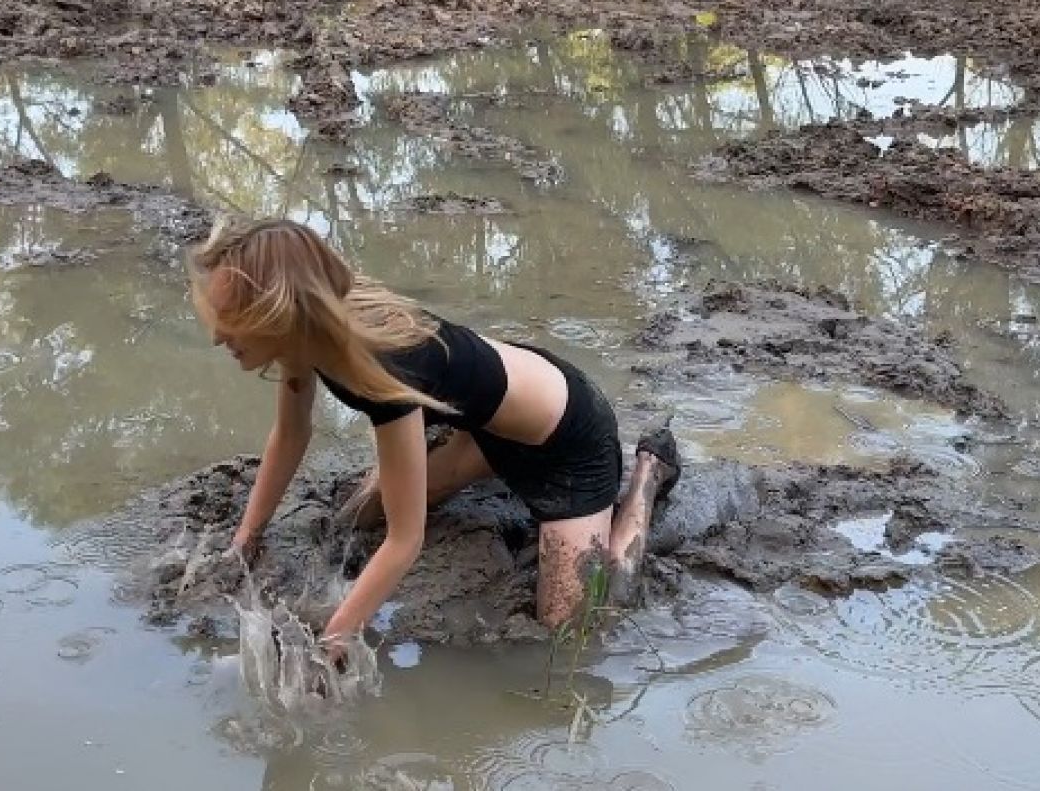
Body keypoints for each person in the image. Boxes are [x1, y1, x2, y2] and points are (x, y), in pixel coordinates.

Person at [190, 217, 679, 659]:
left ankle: (645, 479)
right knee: (356, 517)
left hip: (569, 448)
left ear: (283, 312)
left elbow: (407, 541)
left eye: (231, 320)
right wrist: (244, 539)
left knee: (574, 630)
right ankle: (481, 460)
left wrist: (335, 638)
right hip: (487, 430)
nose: (216, 337)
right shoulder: (308, 334)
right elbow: (291, 435)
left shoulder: (383, 370)